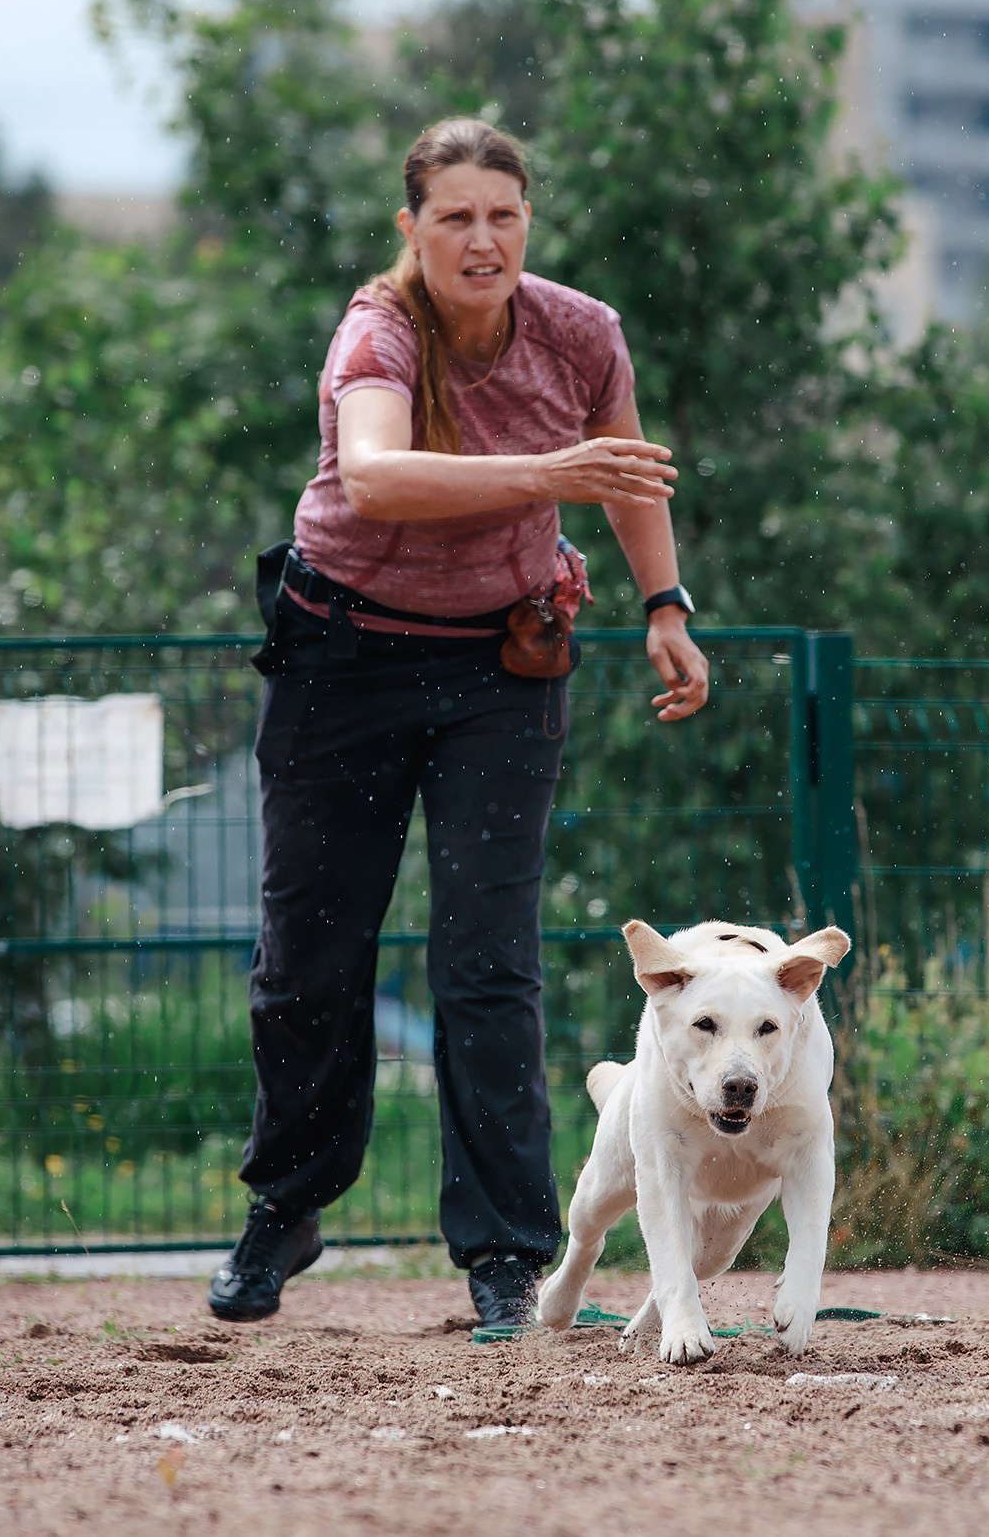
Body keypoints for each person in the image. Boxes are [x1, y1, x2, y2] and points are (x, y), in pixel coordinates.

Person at [208, 117, 708, 1331]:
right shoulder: (378, 331)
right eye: (454, 220)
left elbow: (626, 475)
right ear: (412, 231)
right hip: (341, 661)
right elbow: (376, 477)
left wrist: (663, 605)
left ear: (527, 219)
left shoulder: (581, 332)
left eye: (503, 216)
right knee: (308, 962)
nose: (481, 241)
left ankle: (504, 1256)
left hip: (501, 668)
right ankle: (288, 1205)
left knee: (488, 962)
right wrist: (550, 476)